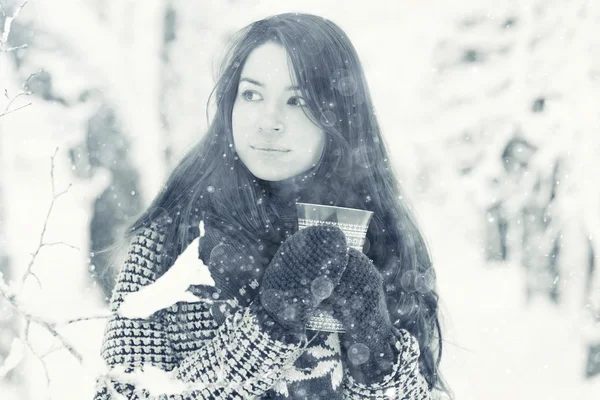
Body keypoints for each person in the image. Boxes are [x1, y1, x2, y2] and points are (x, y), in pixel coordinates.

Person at [94, 12, 450, 400]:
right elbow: (121, 394)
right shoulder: (172, 237)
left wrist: (376, 352)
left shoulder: (379, 237)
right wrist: (269, 326)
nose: (268, 120)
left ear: (341, 118)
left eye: (297, 100)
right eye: (252, 94)